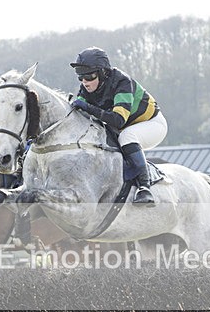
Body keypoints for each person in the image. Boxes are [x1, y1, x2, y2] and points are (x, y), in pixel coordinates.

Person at [69, 47, 167, 206]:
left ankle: (144, 186)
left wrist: (88, 108)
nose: (84, 82)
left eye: (89, 76)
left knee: (127, 136)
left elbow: (118, 120)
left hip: (151, 124)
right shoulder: (87, 87)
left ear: (103, 73)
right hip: (123, 127)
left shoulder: (122, 82)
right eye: (80, 77)